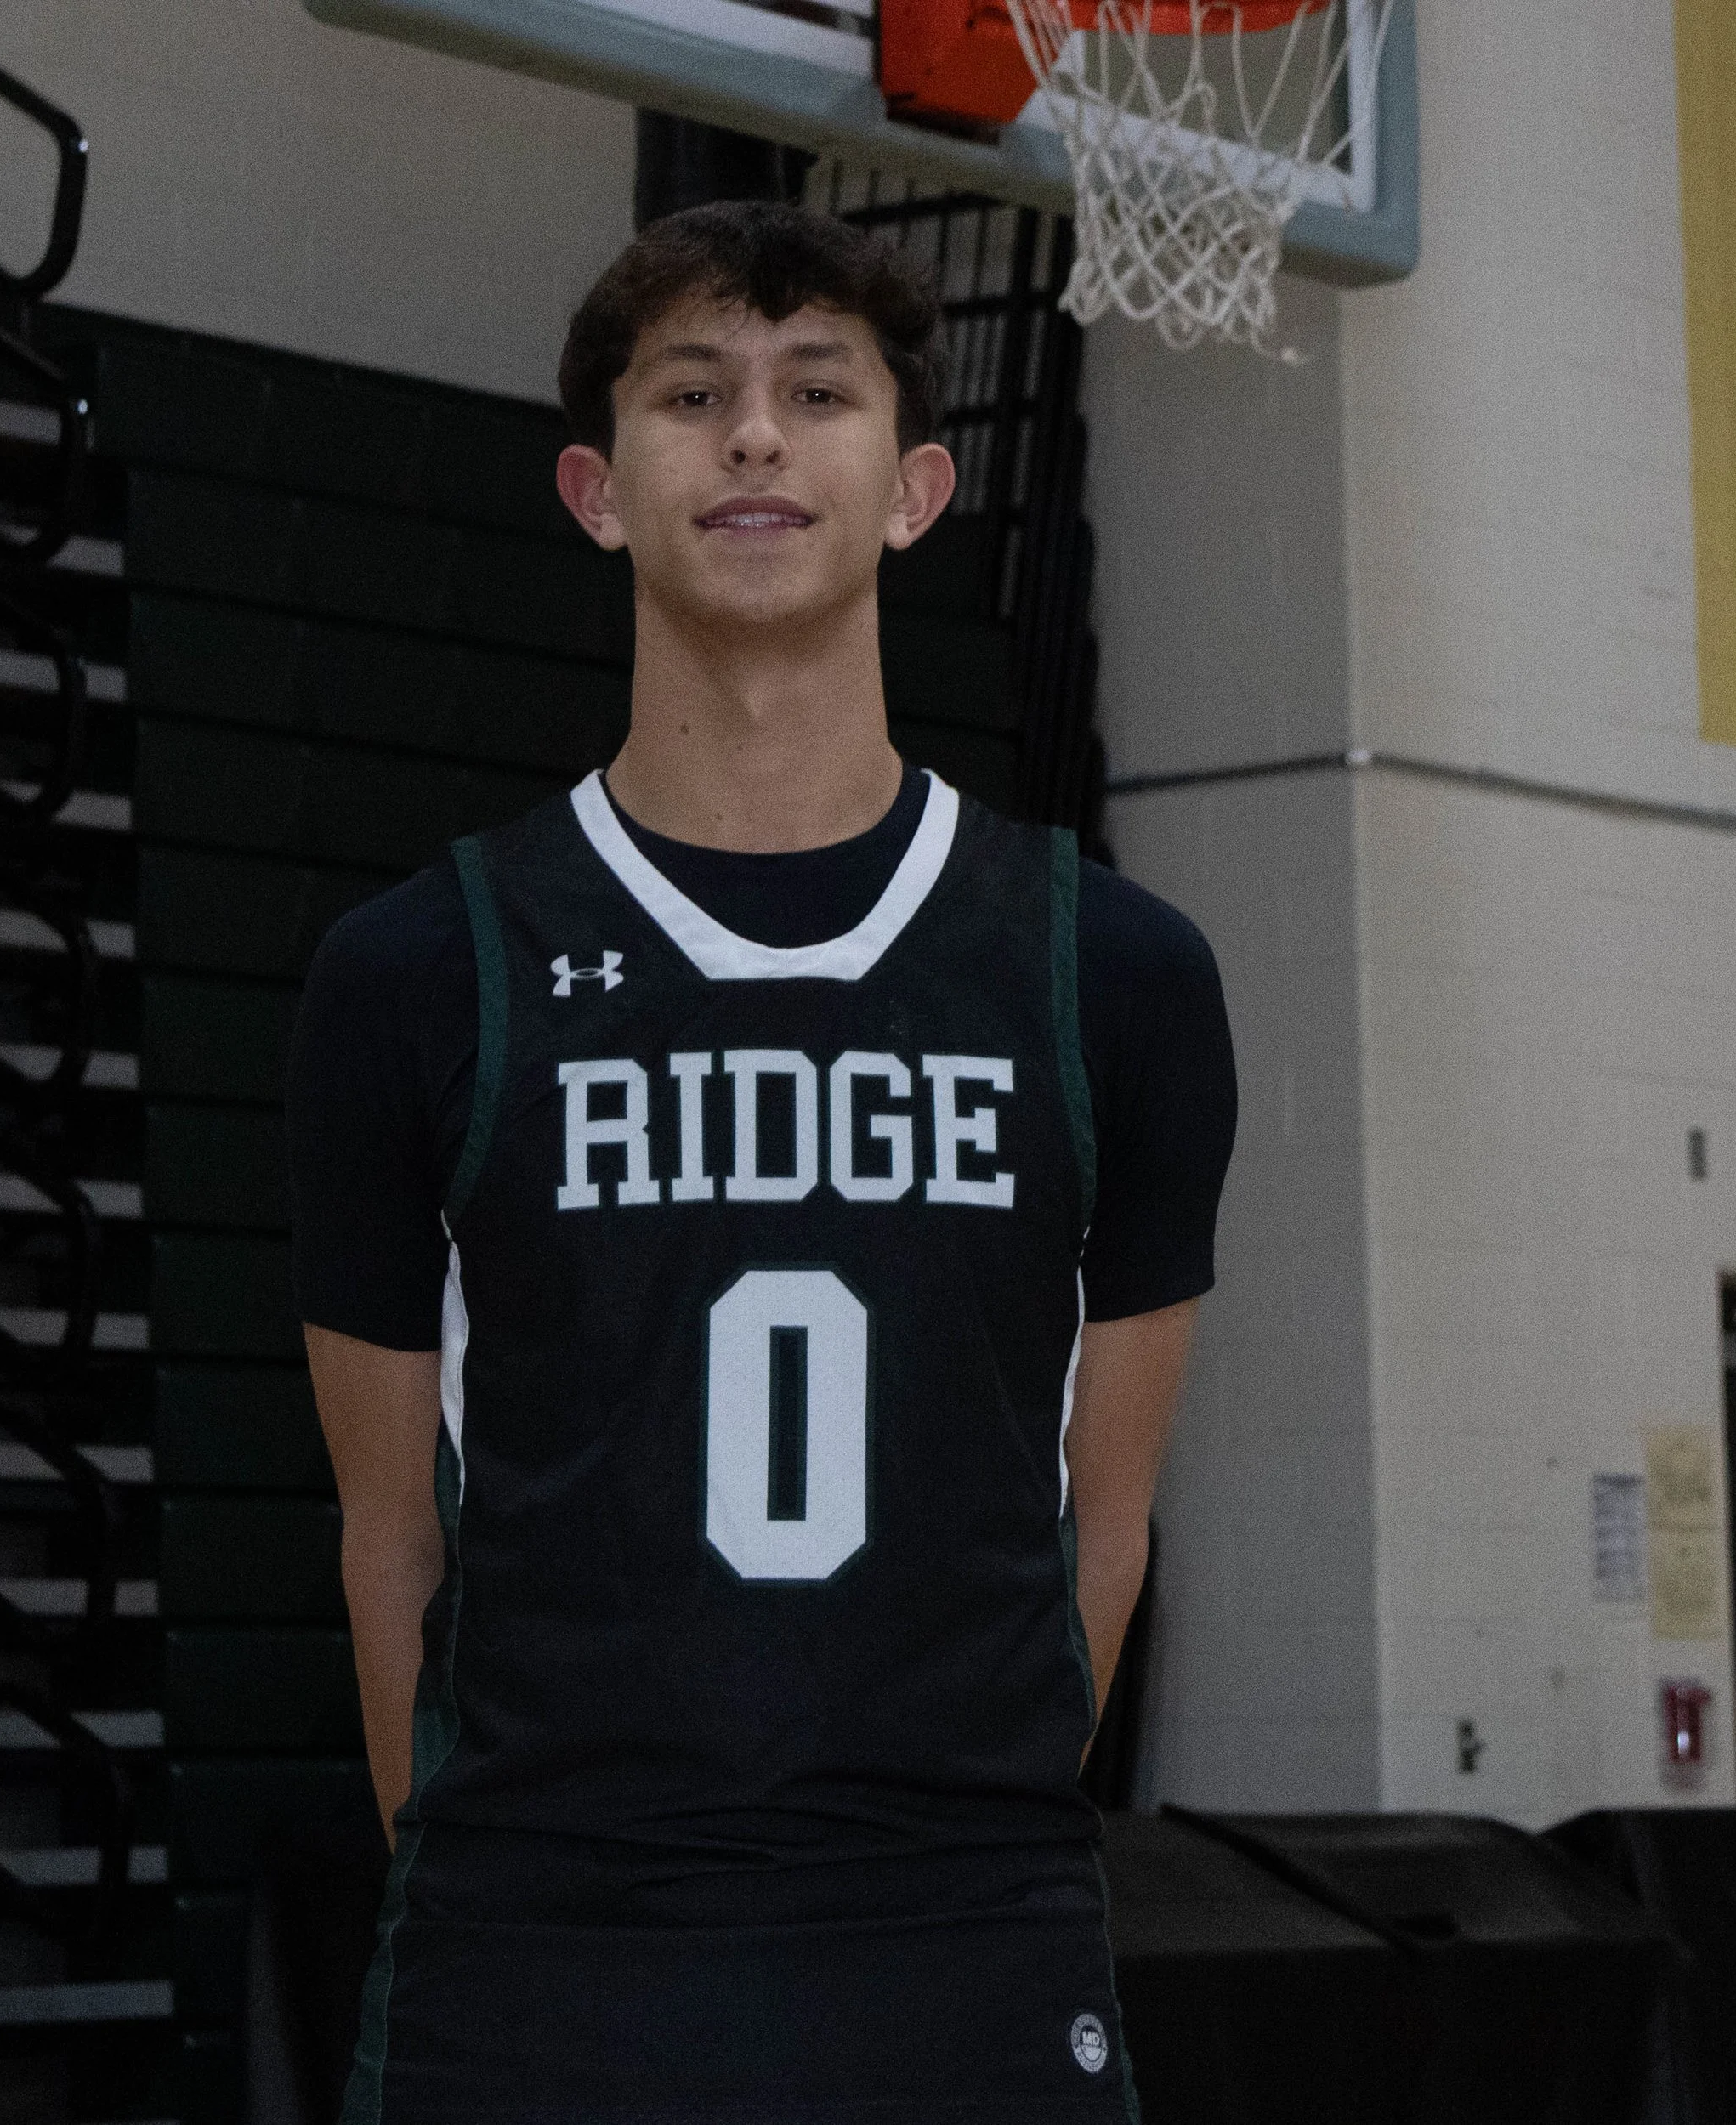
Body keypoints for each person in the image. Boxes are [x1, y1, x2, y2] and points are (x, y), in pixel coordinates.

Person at [286, 199, 1236, 2125]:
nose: (751, 437)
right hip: (541, 1952)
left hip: (961, 1939)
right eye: (690, 393)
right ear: (592, 487)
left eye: (817, 392)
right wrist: (489, 1872)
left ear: (913, 490)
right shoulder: (412, 973)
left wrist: (954, 1825)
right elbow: (387, 1526)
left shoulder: (1108, 970)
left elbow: (1106, 1514)